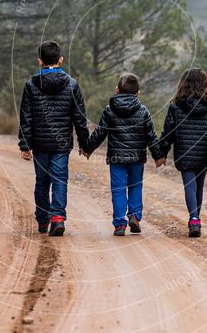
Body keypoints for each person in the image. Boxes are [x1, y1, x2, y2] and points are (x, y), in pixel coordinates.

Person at [18, 40, 89, 236]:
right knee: (59, 179)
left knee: (42, 181)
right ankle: (57, 218)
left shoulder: (31, 85)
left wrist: (25, 144)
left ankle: (43, 219)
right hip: (61, 144)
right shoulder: (72, 85)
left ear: (40, 61)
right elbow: (79, 118)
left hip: (40, 144)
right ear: (61, 60)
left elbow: (26, 116)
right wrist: (85, 144)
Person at [84, 72, 164, 236]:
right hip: (136, 158)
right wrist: (158, 155)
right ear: (137, 93)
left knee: (118, 189)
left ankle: (120, 224)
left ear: (117, 89)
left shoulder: (110, 110)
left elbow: (100, 133)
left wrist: (88, 148)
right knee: (135, 186)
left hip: (116, 158)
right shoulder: (143, 111)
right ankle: (134, 215)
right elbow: (151, 136)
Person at [159, 68, 207, 237]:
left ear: (183, 84)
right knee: (199, 187)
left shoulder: (175, 107)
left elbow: (168, 133)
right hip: (204, 154)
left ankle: (194, 219)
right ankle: (195, 220)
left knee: (189, 186)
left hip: (184, 153)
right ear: (204, 85)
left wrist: (160, 153)